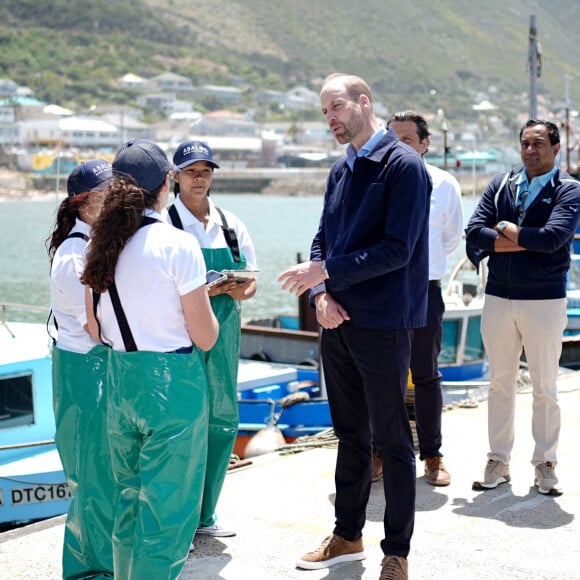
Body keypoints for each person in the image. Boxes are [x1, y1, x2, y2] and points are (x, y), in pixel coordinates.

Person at [278, 73, 431, 580]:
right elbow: (323, 239)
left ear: (364, 103)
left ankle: (397, 552)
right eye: (325, 112)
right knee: (349, 434)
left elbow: (398, 249)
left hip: (385, 323)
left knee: (392, 439)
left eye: (337, 107)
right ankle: (347, 535)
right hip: (337, 321)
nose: (331, 119)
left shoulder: (404, 167)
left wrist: (325, 274)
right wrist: (321, 295)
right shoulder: (340, 170)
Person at [81, 139, 219, 580]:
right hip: (172, 385)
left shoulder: (101, 244)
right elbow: (205, 336)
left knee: (128, 499)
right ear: (166, 182)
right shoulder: (175, 244)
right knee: (168, 512)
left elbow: (96, 328)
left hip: (122, 381)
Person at [466, 119, 580, 496]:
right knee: (500, 383)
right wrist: (520, 240)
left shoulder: (569, 190)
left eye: (539, 144)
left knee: (545, 386)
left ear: (556, 148)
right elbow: (474, 234)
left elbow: (553, 239)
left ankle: (545, 463)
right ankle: (498, 460)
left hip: (545, 301)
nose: (531, 150)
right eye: (525, 144)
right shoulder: (501, 184)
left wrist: (508, 231)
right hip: (498, 298)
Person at [169, 140, 257, 539]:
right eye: (191, 171)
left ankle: (205, 515)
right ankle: (177, 520)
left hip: (224, 335)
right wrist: (201, 291)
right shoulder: (163, 224)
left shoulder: (231, 224)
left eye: (205, 170)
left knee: (222, 421)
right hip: (178, 334)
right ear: (175, 177)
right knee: (182, 422)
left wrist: (233, 288)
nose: (199, 177)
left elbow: (251, 283)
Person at [47, 158, 115, 579]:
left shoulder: (94, 245)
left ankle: (105, 564)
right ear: (82, 204)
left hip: (94, 368)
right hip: (83, 371)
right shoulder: (74, 256)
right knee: (91, 478)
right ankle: (89, 571)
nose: (114, 201)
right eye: (106, 195)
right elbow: (95, 326)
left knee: (105, 473)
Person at [387, 111, 464, 486]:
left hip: (424, 291)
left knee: (427, 375)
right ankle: (380, 453)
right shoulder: (378, 181)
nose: (399, 146)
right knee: (382, 377)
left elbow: (451, 238)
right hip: (383, 291)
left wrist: (426, 267)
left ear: (424, 144)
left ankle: (432, 455)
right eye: (393, 138)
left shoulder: (444, 184)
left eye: (407, 140)